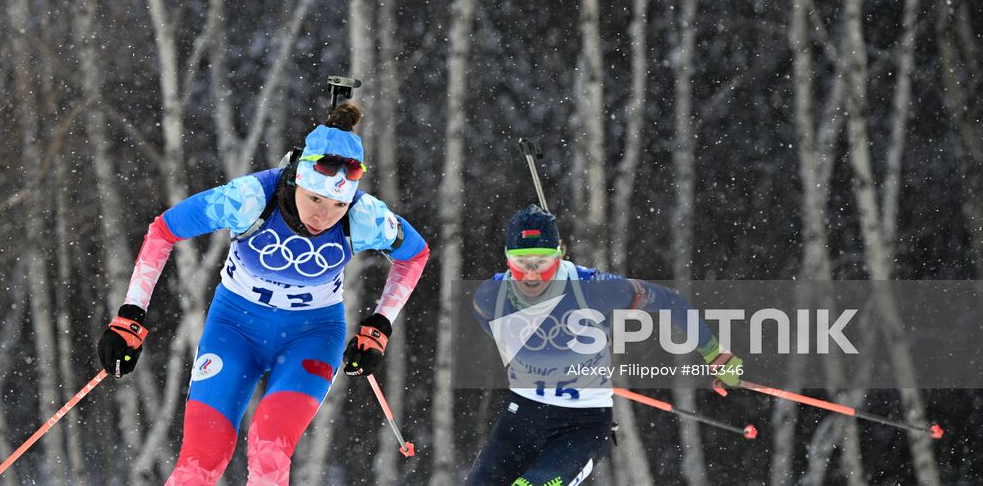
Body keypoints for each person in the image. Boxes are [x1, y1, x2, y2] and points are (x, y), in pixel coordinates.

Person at [97, 102, 429, 485]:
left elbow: (415, 255)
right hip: (234, 328)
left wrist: (380, 324)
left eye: (338, 204)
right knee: (201, 458)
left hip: (313, 335)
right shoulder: (250, 198)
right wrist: (130, 314)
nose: (323, 217)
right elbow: (163, 230)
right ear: (295, 180)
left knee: (268, 445)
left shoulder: (366, 215)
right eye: (315, 199)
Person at [465, 204, 742, 486]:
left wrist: (715, 354)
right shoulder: (490, 299)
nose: (532, 273)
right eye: (522, 262)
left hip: (581, 425)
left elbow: (670, 301)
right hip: (521, 417)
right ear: (507, 259)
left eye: (543, 261)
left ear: (559, 255)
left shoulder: (595, 289)